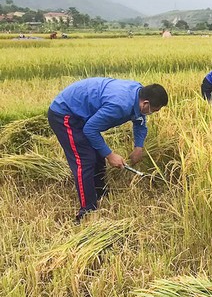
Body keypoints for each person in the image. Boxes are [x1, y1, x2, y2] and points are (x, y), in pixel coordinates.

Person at [47, 78, 168, 221]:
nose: (152, 113)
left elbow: (140, 122)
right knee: (85, 160)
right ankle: (87, 211)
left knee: (97, 155)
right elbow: (90, 129)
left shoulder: (139, 95)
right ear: (146, 103)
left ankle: (99, 193)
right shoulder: (120, 105)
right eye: (153, 110)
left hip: (84, 115)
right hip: (66, 115)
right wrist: (110, 155)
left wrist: (138, 147)